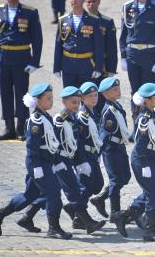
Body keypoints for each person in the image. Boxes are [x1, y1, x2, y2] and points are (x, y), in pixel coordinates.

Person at [0, 83, 71, 239]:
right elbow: (32, 147)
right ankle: (54, 228)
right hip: (38, 163)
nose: (51, 101)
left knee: (30, 195)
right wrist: (37, 167)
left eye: (51, 97)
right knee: (54, 193)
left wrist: (55, 161)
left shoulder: (45, 116)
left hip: (45, 161)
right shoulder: (36, 120)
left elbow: (50, 142)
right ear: (38, 101)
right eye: (48, 98)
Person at [48, 86, 106, 234]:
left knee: (38, 194)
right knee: (72, 192)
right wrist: (56, 162)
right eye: (73, 102)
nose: (77, 106)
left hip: (70, 159)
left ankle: (26, 216)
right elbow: (52, 144)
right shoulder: (59, 120)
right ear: (64, 102)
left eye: (78, 102)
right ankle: (86, 222)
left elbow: (77, 142)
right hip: (60, 161)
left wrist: (81, 162)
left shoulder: (72, 117)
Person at [0, 0, 43, 141]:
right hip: (3, 60)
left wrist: (34, 62)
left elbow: (37, 39)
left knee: (21, 94)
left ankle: (21, 127)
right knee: (5, 93)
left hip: (21, 59)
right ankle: (9, 128)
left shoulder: (30, 12)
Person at [119, 0, 155, 117]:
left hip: (149, 56)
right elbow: (123, 35)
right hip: (132, 55)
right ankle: (136, 122)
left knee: (149, 92)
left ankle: (148, 120)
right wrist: (123, 56)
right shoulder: (127, 7)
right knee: (135, 91)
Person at [129, 82, 155, 242]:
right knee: (153, 193)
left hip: (150, 159)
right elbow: (140, 145)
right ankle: (149, 231)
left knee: (153, 192)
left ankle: (140, 220)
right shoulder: (144, 119)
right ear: (146, 100)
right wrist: (146, 164)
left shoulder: (153, 114)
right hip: (142, 160)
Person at [96, 77, 131, 236]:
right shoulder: (108, 111)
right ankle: (115, 213)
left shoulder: (117, 106)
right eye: (114, 89)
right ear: (105, 93)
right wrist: (99, 154)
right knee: (116, 180)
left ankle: (101, 198)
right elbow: (104, 135)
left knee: (125, 177)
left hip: (120, 146)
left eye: (118, 88)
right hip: (111, 149)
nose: (118, 91)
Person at [53, 0, 104, 88]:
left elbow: (99, 46)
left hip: (86, 65)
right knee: (70, 97)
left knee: (87, 97)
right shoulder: (63, 20)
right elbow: (59, 45)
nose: (74, 0)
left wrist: (98, 68)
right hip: (68, 65)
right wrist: (56, 67)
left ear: (83, 0)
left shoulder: (93, 20)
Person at [75, 82, 105, 224]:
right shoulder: (82, 116)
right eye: (90, 96)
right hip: (85, 156)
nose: (94, 98)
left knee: (98, 184)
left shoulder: (93, 112)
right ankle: (78, 215)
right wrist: (82, 161)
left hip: (93, 155)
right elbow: (79, 141)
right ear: (82, 98)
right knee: (86, 186)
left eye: (95, 95)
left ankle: (74, 208)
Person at [84, 0, 118, 114]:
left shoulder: (107, 22)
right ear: (84, 3)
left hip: (102, 66)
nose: (91, 4)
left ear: (99, 2)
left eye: (94, 1)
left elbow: (112, 48)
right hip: (84, 65)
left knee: (100, 96)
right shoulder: (81, 20)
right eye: (88, 2)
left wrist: (111, 69)